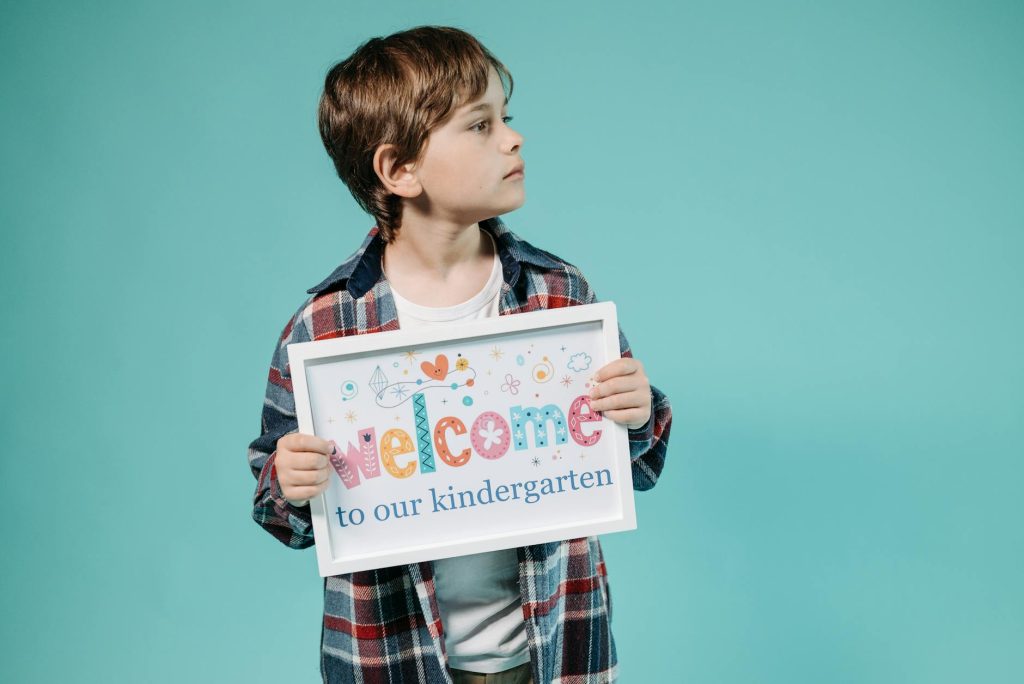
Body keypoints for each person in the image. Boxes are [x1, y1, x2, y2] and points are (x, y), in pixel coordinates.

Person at [248, 25, 673, 684]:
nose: (513, 137)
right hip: (395, 659)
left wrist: (637, 412)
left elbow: (636, 468)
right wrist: (290, 480)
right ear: (399, 169)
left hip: (555, 652)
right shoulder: (326, 330)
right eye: (480, 125)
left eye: (506, 118)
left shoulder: (559, 298)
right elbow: (282, 512)